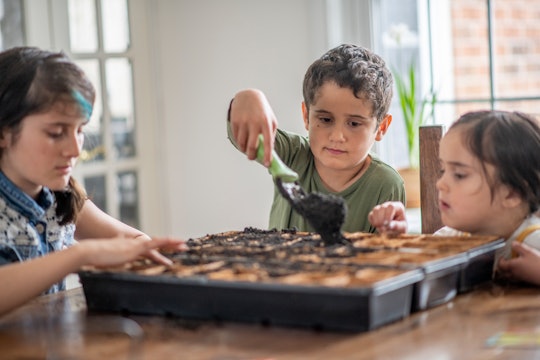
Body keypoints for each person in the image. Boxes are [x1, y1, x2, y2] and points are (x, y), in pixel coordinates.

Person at [0, 46, 186, 316]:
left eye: (80, 130)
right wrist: (80, 255)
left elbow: (132, 242)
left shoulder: (62, 197)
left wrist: (144, 249)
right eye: (56, 132)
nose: (75, 150)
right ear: (4, 132)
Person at [227, 44, 405, 233]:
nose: (337, 136)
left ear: (381, 127)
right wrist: (247, 99)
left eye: (354, 124)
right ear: (306, 116)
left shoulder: (387, 184)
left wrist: (392, 233)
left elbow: (385, 252)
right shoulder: (292, 155)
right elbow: (241, 135)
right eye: (326, 119)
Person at [368, 110, 540, 284]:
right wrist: (397, 241)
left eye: (459, 175)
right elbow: (413, 265)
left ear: (511, 193)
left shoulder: (533, 241)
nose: (440, 184)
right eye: (443, 171)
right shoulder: (454, 236)